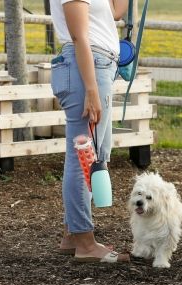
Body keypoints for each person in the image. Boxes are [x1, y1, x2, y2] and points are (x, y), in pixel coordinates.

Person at [50, 0, 130, 262]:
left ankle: (73, 235)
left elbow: (115, 11)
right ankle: (85, 242)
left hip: (99, 65)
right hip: (87, 68)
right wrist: (92, 90)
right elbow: (78, 35)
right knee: (82, 157)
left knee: (95, 155)